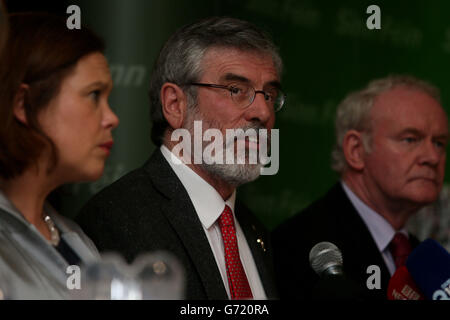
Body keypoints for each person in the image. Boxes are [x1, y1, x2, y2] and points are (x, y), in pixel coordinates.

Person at [76, 16, 285, 300]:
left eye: (270, 95)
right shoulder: (117, 219)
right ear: (175, 105)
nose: (262, 112)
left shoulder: (254, 231)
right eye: (236, 90)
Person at [272, 75, 448, 300]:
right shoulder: (300, 246)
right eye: (410, 139)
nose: (433, 157)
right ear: (356, 150)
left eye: (439, 143)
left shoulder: (426, 262)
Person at [0, 13, 119, 299]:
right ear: (24, 104)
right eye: (93, 95)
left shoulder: (73, 237)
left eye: (108, 98)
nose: (112, 118)